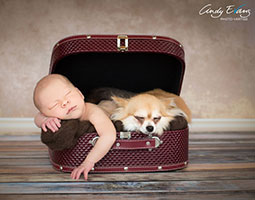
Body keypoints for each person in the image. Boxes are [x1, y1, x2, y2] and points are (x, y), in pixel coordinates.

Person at [33, 74, 116, 180]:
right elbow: (37, 118)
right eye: (54, 105)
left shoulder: (94, 113)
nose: (65, 102)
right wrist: (45, 120)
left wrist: (89, 161)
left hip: (109, 106)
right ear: (47, 113)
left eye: (68, 94)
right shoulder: (55, 116)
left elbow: (108, 135)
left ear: (80, 93)